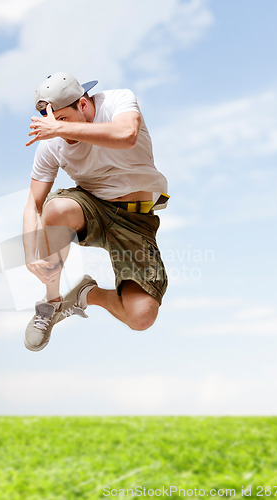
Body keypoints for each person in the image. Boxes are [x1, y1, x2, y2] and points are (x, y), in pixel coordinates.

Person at [22, 72, 169, 351]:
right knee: (56, 208)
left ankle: (88, 294)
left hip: (135, 220)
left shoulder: (118, 101)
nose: (56, 129)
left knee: (141, 317)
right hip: (92, 210)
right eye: (51, 122)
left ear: (84, 104)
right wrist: (30, 254)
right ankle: (51, 303)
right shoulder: (52, 142)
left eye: (62, 119)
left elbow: (126, 135)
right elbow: (34, 204)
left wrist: (59, 130)